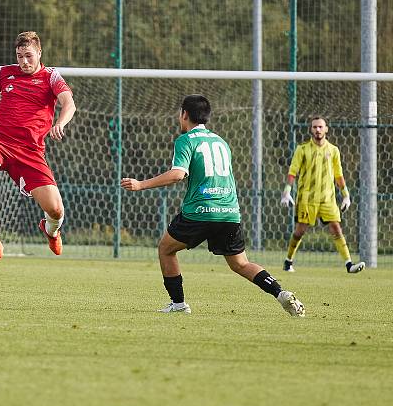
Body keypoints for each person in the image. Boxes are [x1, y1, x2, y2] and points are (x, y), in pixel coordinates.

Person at [121, 95, 305, 317]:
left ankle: (178, 304)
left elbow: (178, 175)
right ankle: (280, 293)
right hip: (229, 212)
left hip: (199, 212)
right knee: (240, 264)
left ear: (184, 114)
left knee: (166, 249)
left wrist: (141, 184)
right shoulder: (221, 142)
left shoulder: (186, 140)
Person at [0, 31, 76, 259]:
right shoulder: (4, 74)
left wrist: (60, 122)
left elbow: (69, 104)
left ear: (39, 53)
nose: (24, 61)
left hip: (30, 151)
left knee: (56, 210)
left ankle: (50, 230)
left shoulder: (51, 77)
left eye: (28, 56)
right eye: (19, 56)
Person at [280, 117, 365, 273]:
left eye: (320, 127)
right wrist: (287, 191)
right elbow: (293, 171)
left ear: (326, 129)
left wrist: (346, 195)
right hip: (306, 199)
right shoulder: (303, 149)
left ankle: (349, 264)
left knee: (336, 228)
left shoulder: (333, 150)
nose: (317, 130)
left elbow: (339, 174)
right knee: (300, 231)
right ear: (311, 130)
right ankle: (288, 261)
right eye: (314, 127)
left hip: (328, 199)